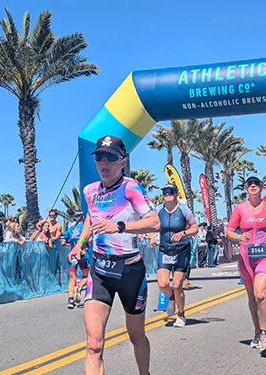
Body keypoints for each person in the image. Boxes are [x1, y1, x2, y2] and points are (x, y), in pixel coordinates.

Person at [68, 135, 160, 375]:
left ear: (122, 161)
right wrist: (79, 242)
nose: (104, 162)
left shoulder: (131, 188)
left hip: (130, 271)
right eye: (99, 157)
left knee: (136, 335)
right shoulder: (91, 191)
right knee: (94, 344)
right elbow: (92, 217)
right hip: (100, 273)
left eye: (110, 157)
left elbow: (154, 221)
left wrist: (119, 227)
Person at [226, 173, 266, 354]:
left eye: (256, 183)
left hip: (265, 257)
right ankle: (256, 331)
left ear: (262, 188)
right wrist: (239, 236)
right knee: (252, 297)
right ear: (246, 188)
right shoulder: (239, 209)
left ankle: (264, 334)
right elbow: (229, 231)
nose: (252, 186)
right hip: (246, 259)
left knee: (261, 294)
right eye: (249, 184)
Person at [154, 183, 198, 327]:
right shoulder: (158, 210)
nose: (168, 194)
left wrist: (183, 233)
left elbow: (195, 228)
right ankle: (171, 297)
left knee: (178, 284)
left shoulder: (184, 210)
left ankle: (181, 314)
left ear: (176, 193)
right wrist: (150, 236)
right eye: (165, 192)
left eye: (171, 191)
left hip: (181, 250)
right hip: (164, 250)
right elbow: (149, 225)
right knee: (162, 284)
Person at [62, 211, 91, 309]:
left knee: (72, 278)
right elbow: (90, 239)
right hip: (83, 253)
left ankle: (70, 300)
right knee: (87, 275)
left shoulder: (70, 228)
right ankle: (79, 286)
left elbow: (63, 242)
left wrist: (72, 245)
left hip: (72, 254)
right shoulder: (84, 228)